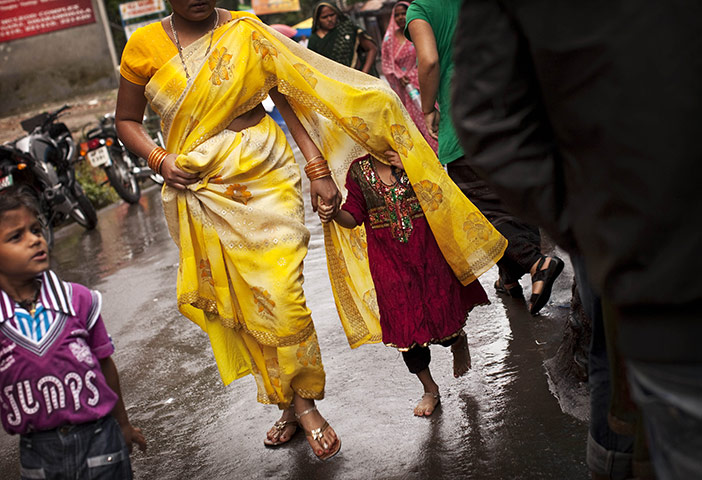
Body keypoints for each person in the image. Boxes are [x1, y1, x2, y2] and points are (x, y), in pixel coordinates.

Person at [115, 0, 505, 462]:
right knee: (244, 301)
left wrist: (318, 167)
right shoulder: (142, 46)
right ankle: (295, 405)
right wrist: (158, 159)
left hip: (264, 172)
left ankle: (299, 401)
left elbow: (287, 93)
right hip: (198, 183)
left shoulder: (245, 29)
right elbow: (127, 122)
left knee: (281, 294)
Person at [450, 1, 702, 479]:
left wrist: (592, 224)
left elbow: (487, 115)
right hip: (655, 257)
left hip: (639, 237)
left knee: (609, 344)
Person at [406, 0, 563, 316]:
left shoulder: (420, 9)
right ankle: (510, 279)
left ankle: (536, 263)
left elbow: (430, 60)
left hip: (467, 121)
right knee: (514, 201)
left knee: (481, 212)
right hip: (514, 111)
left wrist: (426, 108)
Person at [319, 151, 488, 416]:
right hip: (389, 266)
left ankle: (457, 340)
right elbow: (354, 217)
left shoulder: (414, 155)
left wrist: (415, 167)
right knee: (406, 331)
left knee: (443, 319)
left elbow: (443, 196)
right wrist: (334, 214)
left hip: (428, 257)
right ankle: (430, 388)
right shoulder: (358, 171)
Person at [0, 185, 147, 478]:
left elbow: (105, 364)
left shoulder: (77, 300)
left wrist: (123, 425)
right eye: (16, 237)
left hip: (102, 440)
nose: (34, 240)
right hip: (38, 454)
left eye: (36, 230)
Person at [380, 1, 438, 153]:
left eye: (403, 13)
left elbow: (429, 56)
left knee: (433, 116)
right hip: (407, 90)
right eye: (397, 14)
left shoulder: (420, 32)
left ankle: (441, 152)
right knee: (416, 123)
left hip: (424, 81)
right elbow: (386, 64)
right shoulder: (389, 40)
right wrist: (398, 75)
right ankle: (429, 157)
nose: (400, 17)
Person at [308, 2, 379, 76]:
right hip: (333, 82)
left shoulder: (348, 29)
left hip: (356, 77)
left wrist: (364, 74)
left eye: (332, 15)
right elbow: (312, 65)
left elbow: (372, 49)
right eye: (324, 17)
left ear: (337, 14)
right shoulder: (314, 39)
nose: (329, 19)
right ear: (318, 19)